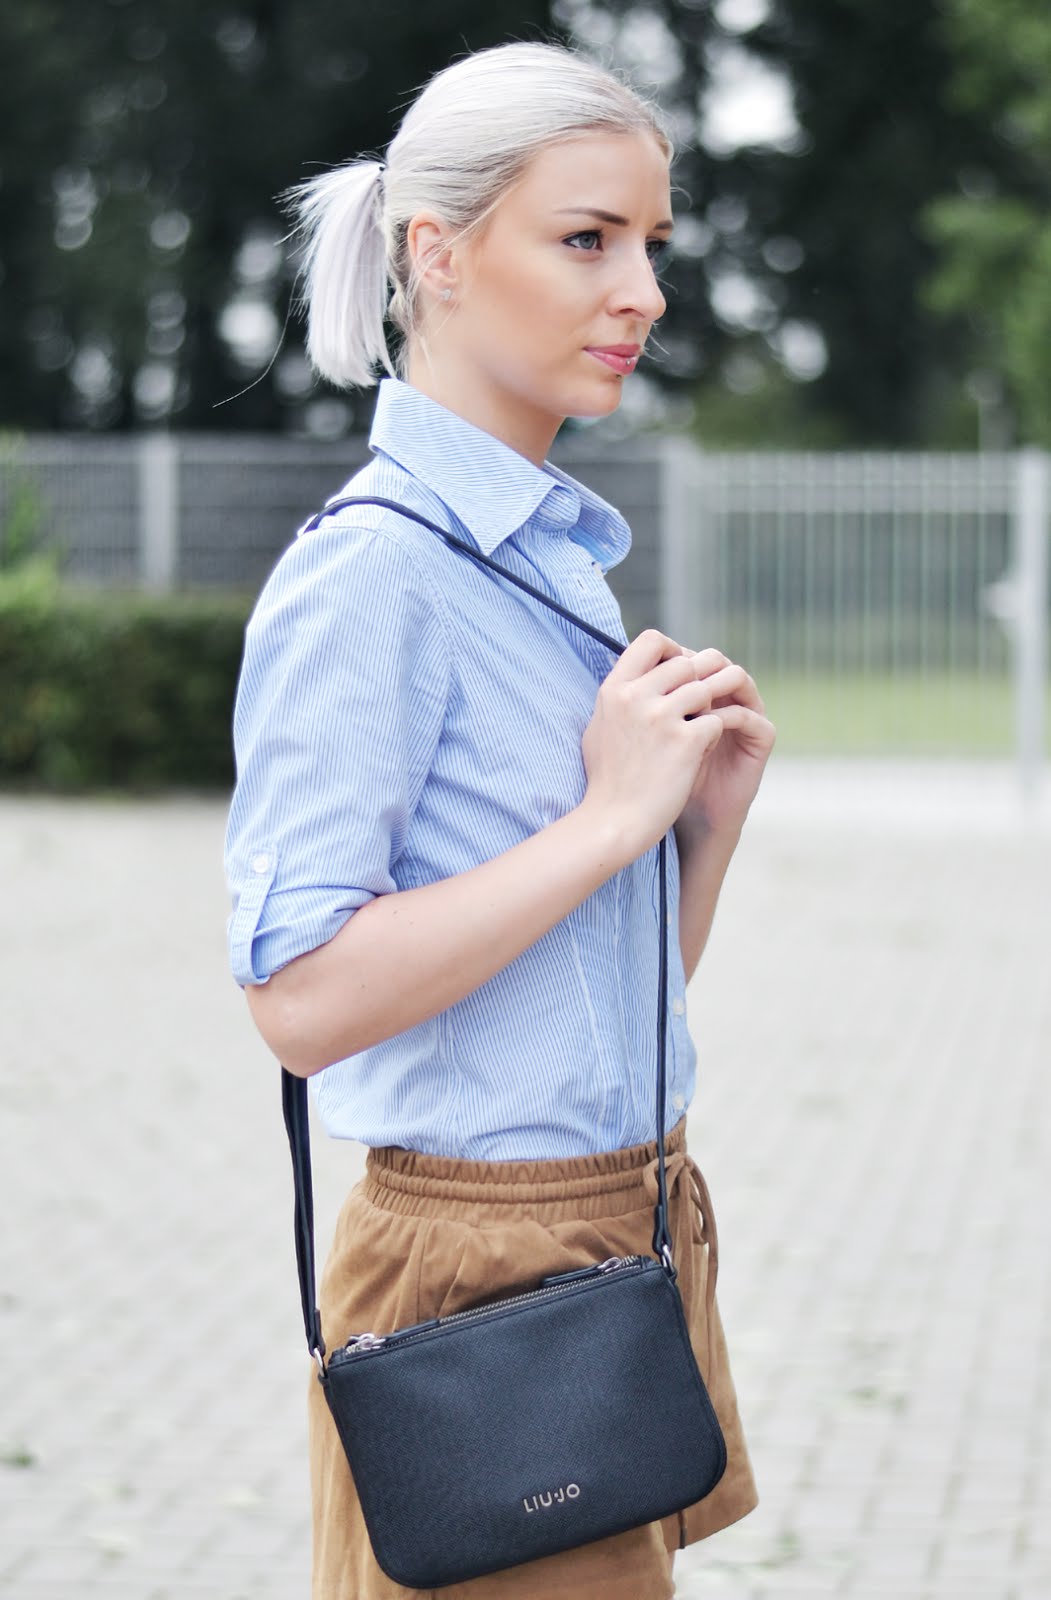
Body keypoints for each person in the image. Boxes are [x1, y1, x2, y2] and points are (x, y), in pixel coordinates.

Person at [225, 38, 773, 1600]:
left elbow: (590, 1011)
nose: (644, 291)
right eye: (588, 238)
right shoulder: (373, 575)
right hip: (486, 1287)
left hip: (616, 1241)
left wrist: (694, 832)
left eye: (653, 246)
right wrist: (608, 821)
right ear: (437, 254)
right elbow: (301, 1000)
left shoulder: (544, 563)